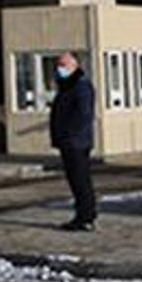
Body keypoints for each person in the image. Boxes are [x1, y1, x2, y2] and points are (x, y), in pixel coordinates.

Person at [49, 51, 97, 231]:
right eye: (58, 65)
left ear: (74, 66)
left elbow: (83, 114)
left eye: (64, 65)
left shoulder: (81, 86)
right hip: (68, 141)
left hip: (77, 142)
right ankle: (82, 214)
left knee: (80, 180)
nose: (59, 69)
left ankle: (86, 217)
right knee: (75, 180)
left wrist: (70, 133)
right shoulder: (66, 86)